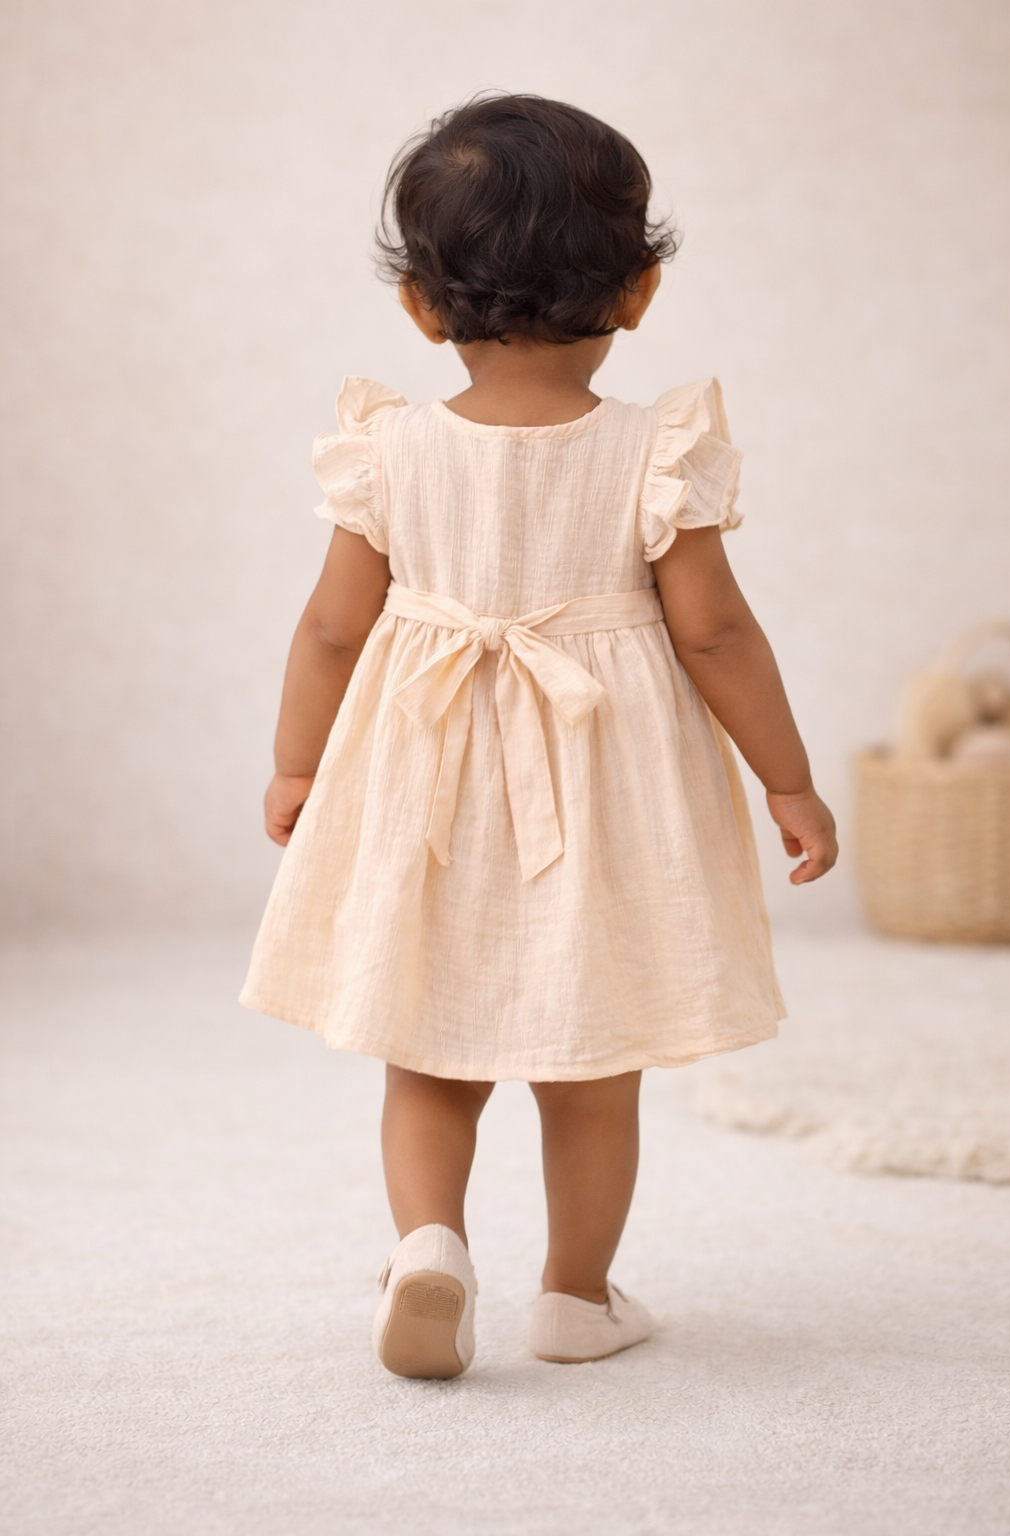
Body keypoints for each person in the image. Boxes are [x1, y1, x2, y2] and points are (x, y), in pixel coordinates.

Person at [240, 93, 837, 1380]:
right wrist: (787, 781)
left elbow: (332, 630)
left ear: (420, 305)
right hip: (604, 790)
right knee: (592, 1058)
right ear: (639, 290)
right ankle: (575, 1295)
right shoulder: (655, 452)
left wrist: (297, 763)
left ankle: (429, 1246)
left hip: (427, 781)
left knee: (428, 1043)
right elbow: (716, 634)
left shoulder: (388, 450)